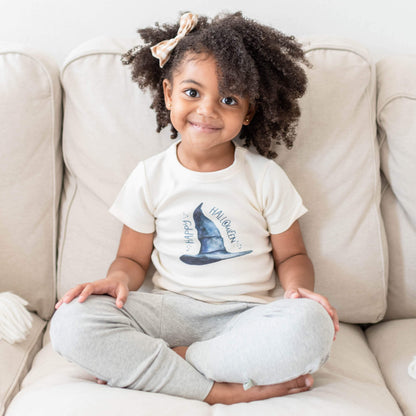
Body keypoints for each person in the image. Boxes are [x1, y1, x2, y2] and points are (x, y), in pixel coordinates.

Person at [50, 11, 339, 405]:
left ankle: (174, 363)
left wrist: (298, 291)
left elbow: (292, 256)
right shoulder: (150, 176)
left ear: (248, 112)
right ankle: (221, 389)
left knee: (312, 327)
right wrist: (117, 280)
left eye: (228, 99)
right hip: (166, 314)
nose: (207, 110)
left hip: (244, 317)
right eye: (192, 93)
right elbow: (132, 259)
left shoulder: (265, 177)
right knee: (71, 319)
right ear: (168, 93)